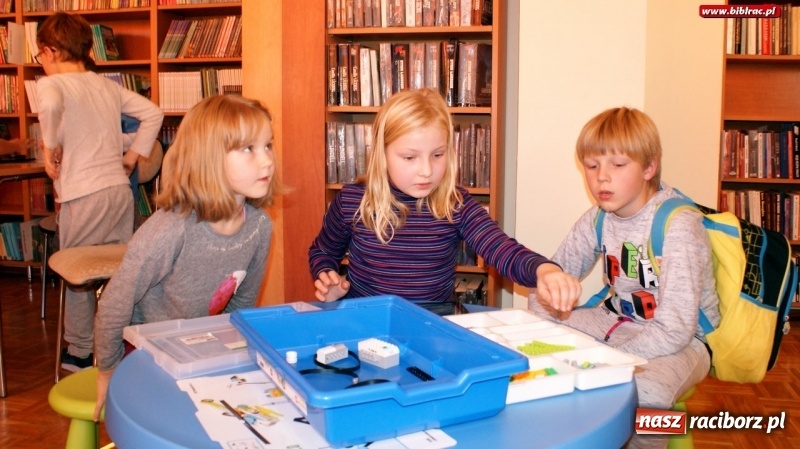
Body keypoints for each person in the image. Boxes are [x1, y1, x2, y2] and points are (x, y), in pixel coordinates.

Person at [527, 107, 720, 449]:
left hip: (683, 342)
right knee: (535, 320)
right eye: (592, 165)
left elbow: (676, 329)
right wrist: (553, 289)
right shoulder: (598, 218)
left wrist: (609, 360)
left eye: (618, 165)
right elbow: (550, 277)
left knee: (647, 393)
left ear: (649, 167)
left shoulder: (679, 225)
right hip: (616, 321)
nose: (602, 178)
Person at [309, 88, 581, 315]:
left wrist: (544, 270)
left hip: (434, 323)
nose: (426, 170)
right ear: (382, 154)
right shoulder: (351, 201)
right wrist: (327, 277)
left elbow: (501, 248)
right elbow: (322, 251)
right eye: (409, 157)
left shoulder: (456, 204)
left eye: (437, 155)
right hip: (366, 320)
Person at [93, 94, 277, 420]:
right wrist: (107, 371)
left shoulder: (260, 227)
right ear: (209, 158)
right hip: (144, 351)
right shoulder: (171, 228)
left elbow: (241, 307)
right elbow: (115, 301)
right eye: (248, 149)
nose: (266, 161)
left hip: (198, 346)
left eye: (268, 146)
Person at [35, 12, 164, 372]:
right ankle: (117, 340)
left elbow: (48, 105)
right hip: (118, 193)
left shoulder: (51, 85)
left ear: (50, 51)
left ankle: (78, 351)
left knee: (77, 273)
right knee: (114, 272)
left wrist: (48, 150)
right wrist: (133, 155)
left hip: (83, 194)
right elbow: (153, 113)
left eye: (39, 57)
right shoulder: (106, 86)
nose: (40, 64)